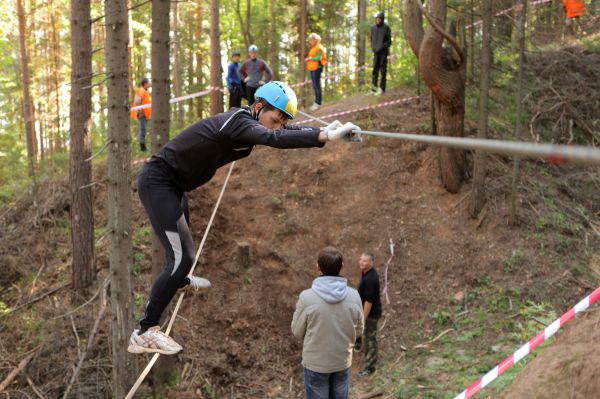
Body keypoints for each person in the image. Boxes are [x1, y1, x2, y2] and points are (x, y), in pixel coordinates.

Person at [127, 82, 362, 355]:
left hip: (175, 187)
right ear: (259, 107)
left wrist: (326, 133)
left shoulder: (253, 123)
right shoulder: (237, 120)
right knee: (184, 257)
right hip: (159, 182)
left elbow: (284, 131)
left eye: (279, 122)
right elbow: (275, 138)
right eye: (274, 119)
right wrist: (325, 136)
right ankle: (145, 330)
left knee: (179, 257)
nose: (276, 126)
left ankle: (178, 280)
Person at [292, 247, 364, 399]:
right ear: (342, 266)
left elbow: (297, 331)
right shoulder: (354, 295)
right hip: (342, 361)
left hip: (316, 363)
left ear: (317, 266)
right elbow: (359, 330)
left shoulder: (307, 297)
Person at [357, 252, 381, 377]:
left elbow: (369, 301)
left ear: (371, 262)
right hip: (368, 313)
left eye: (365, 261)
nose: (362, 262)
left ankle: (370, 367)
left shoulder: (370, 278)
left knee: (370, 339)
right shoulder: (366, 273)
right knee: (367, 336)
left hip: (371, 315)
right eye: (361, 260)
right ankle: (358, 344)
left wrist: (363, 318)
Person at [370, 12, 392, 96]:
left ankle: (382, 88)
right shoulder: (373, 28)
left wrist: (381, 47)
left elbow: (389, 41)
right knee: (375, 70)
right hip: (375, 53)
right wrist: (373, 47)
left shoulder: (386, 28)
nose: (377, 20)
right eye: (376, 19)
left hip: (383, 53)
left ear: (382, 19)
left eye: (379, 19)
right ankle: (373, 88)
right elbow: (371, 39)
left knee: (383, 71)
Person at [305, 33, 327, 111]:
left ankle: (318, 103)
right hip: (312, 68)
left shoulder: (319, 47)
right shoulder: (314, 48)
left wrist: (310, 58)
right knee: (315, 85)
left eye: (311, 40)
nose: (310, 41)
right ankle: (316, 102)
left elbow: (318, 58)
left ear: (315, 39)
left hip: (317, 68)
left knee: (317, 85)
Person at [131, 78, 152, 152]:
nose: (150, 84)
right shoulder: (141, 90)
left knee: (144, 129)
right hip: (142, 114)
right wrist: (140, 112)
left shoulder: (145, 91)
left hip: (145, 114)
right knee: (142, 130)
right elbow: (137, 101)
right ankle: (142, 147)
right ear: (145, 83)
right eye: (149, 82)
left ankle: (143, 146)